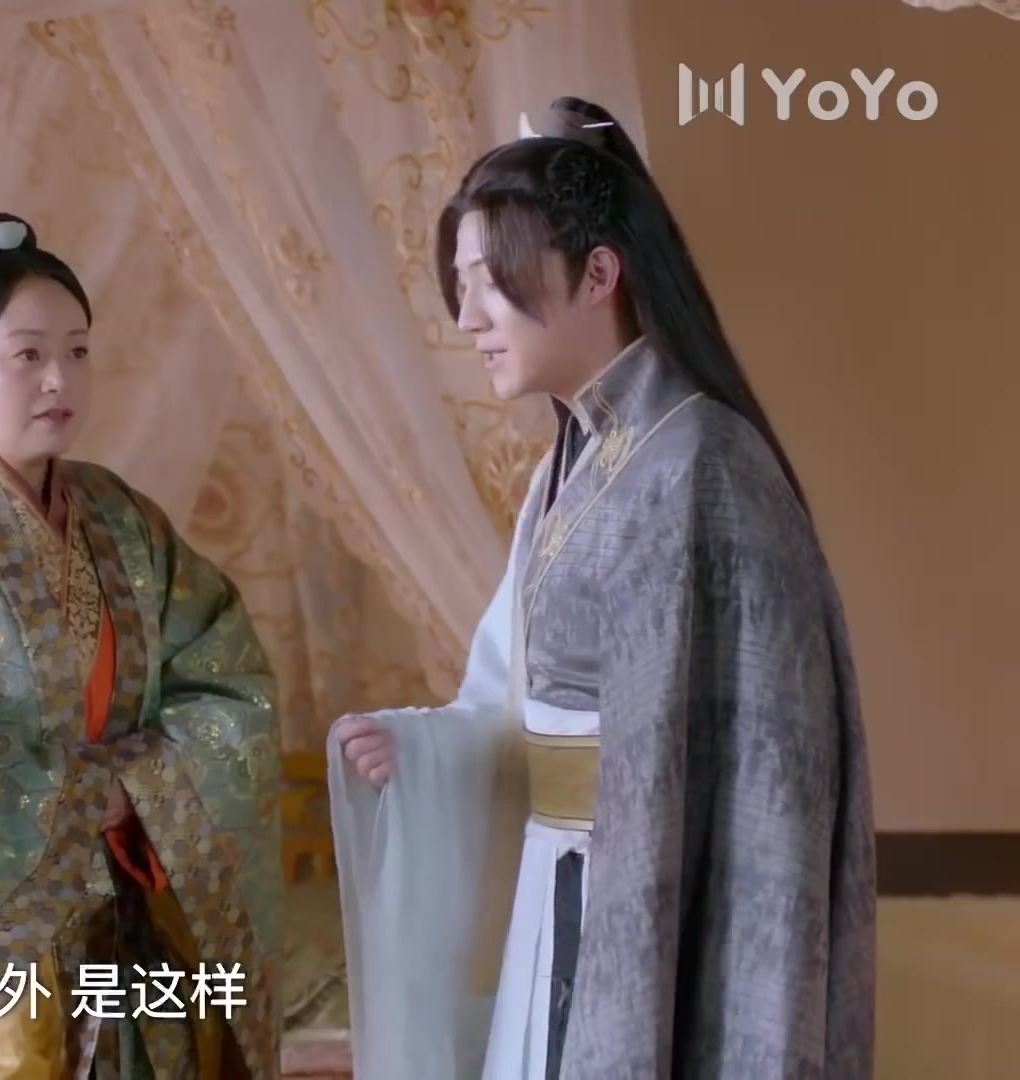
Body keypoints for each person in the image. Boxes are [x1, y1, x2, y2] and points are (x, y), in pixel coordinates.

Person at [327, 98, 875, 1079]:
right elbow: (517, 692)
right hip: (561, 878)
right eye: (462, 287)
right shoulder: (574, 465)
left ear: (598, 274)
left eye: (490, 283)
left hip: (646, 886)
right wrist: (424, 746)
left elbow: (768, 773)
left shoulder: (702, 462)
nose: (468, 319)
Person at [0, 212, 283, 1079]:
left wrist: (142, 787)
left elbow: (229, 677)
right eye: (28, 354)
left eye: (77, 351)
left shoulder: (124, 519)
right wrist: (77, 796)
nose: (58, 379)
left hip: (128, 909)